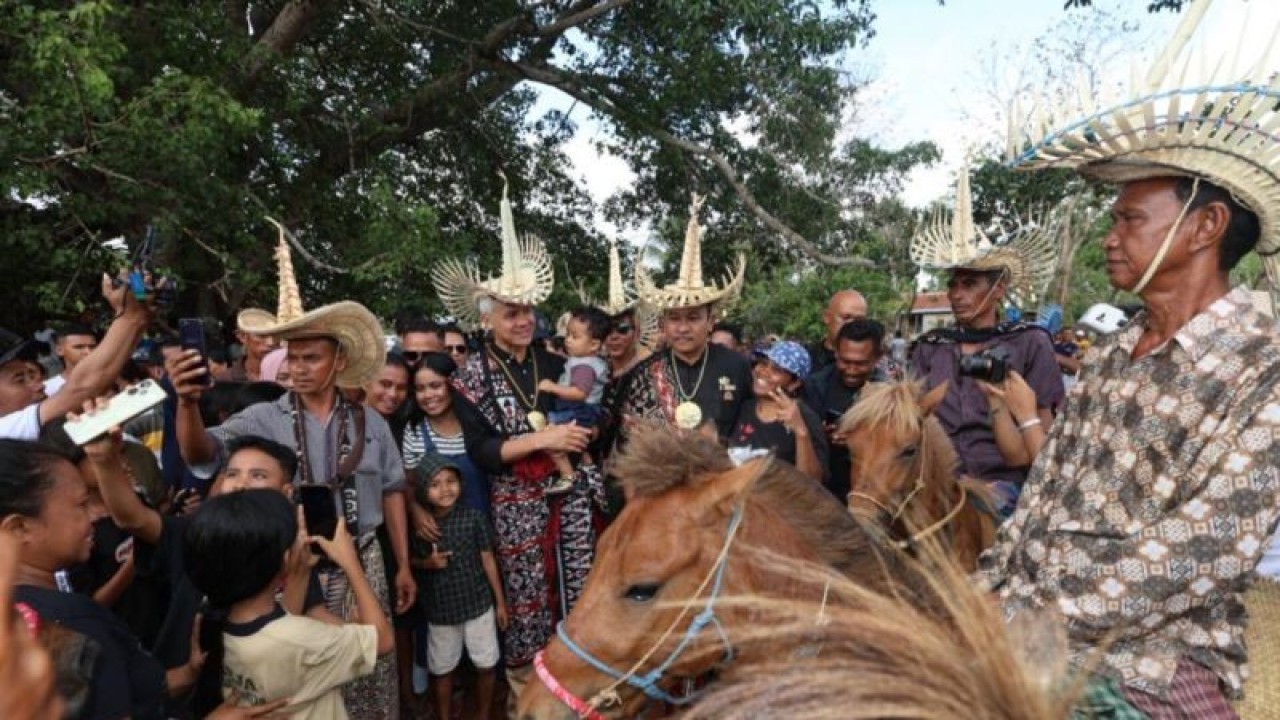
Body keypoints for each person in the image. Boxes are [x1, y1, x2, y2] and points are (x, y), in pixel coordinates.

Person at [977, 17, 1280, 716]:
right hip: (1025, 626)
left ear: (1203, 228)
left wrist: (1038, 621)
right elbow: (1042, 497)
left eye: (1129, 220)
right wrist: (984, 594)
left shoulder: (1263, 371)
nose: (1110, 240)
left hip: (1155, 659)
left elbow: (1203, 546)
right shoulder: (1111, 356)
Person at [168, 222, 410, 720]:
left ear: (338, 359)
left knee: (376, 675)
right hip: (290, 570)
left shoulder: (371, 422)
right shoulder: (262, 417)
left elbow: (392, 492)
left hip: (362, 558)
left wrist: (403, 563)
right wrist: (187, 404)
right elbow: (201, 454)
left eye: (310, 358)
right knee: (306, 685)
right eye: (292, 358)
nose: (298, 368)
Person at [432, 176, 606, 709]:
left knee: (579, 591)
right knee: (527, 602)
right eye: (512, 311)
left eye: (529, 310)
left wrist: (585, 431)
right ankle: (526, 701)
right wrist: (542, 438)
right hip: (513, 506)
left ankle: (580, 694)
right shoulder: (471, 377)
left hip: (571, 495)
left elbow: (587, 409)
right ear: (488, 317)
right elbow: (484, 452)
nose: (524, 319)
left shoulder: (554, 360)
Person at [0, 439, 197, 720]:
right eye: (82, 504)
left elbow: (128, 689)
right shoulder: (72, 625)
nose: (94, 517)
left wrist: (189, 672)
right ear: (19, 529)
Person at [909, 164, 1064, 511]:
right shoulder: (931, 347)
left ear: (999, 290)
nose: (956, 294)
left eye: (969, 284)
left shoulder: (1029, 343)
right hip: (936, 482)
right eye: (953, 284)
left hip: (1005, 485)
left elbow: (1044, 428)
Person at [184, 489, 393, 719]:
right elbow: (382, 640)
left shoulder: (212, 619)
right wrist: (350, 561)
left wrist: (301, 571)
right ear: (284, 560)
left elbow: (279, 627)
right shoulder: (302, 640)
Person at [613, 194, 753, 439]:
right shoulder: (645, 372)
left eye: (693, 318)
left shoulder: (737, 366)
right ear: (663, 324)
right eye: (674, 319)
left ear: (710, 322)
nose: (683, 328)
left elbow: (751, 427)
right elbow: (629, 438)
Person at [410, 455, 506, 720]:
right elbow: (409, 562)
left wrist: (500, 603)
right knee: (442, 669)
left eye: (451, 481)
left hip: (478, 605)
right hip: (441, 612)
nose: (445, 489)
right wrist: (427, 563)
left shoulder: (474, 518)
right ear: (422, 492)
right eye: (435, 484)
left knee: (486, 666)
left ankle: (483, 714)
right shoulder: (422, 528)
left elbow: (488, 559)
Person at [0, 274, 151, 441]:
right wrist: (131, 316)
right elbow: (82, 389)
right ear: (59, 350)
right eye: (20, 380)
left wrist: (140, 312)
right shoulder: (4, 431)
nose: (40, 385)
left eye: (31, 376)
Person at [802, 318, 888, 499]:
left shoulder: (889, 395)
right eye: (845, 361)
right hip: (822, 492)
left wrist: (860, 439)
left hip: (870, 495)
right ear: (836, 353)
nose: (851, 370)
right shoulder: (815, 386)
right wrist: (819, 433)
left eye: (860, 363)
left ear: (877, 358)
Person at [728, 341, 827, 481]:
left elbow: (813, 482)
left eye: (776, 369)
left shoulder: (806, 418)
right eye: (762, 363)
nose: (763, 371)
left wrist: (800, 432)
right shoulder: (744, 407)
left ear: (794, 383)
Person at [538, 306, 610, 494]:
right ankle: (586, 464)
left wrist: (552, 387)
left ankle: (567, 475)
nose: (568, 340)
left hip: (578, 409)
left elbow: (579, 393)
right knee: (576, 442)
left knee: (549, 437)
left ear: (594, 344)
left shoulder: (585, 366)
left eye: (575, 336)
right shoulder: (583, 360)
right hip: (582, 411)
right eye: (568, 334)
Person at [807, 289, 868, 373]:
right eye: (846, 318)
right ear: (827, 317)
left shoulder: (869, 365)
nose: (852, 324)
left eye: (859, 320)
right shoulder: (803, 359)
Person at [44, 324, 98, 396]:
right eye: (79, 347)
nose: (88, 352)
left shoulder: (110, 378)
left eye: (92, 347)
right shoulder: (47, 389)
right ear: (59, 350)